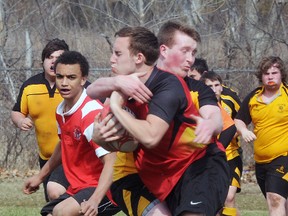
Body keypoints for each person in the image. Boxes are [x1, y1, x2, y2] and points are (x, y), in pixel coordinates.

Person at [88, 22, 230, 216]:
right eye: (185, 51)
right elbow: (90, 90)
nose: (191, 59)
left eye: (193, 53)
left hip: (196, 164)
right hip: (146, 173)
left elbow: (215, 118)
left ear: (139, 58)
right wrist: (100, 136)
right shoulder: (124, 84)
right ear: (163, 50)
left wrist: (210, 124)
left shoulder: (183, 87)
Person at [22, 51, 120, 216]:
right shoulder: (61, 110)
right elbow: (63, 145)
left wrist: (95, 201)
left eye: (71, 77)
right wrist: (39, 177)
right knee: (49, 212)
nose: (64, 83)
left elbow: (112, 162)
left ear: (83, 79)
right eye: (60, 77)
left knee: (62, 212)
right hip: (80, 186)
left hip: (107, 190)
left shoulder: (90, 115)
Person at [11, 38, 69, 201]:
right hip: (46, 158)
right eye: (50, 57)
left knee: (57, 196)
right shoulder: (30, 86)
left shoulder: (74, 86)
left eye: (59, 58)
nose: (53, 62)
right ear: (43, 61)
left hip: (71, 156)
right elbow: (16, 112)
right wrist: (21, 121)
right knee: (53, 203)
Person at [235, 56, 288, 216]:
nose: (270, 76)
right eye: (266, 73)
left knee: (275, 199)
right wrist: (244, 131)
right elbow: (238, 120)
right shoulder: (253, 97)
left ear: (281, 74)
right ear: (261, 76)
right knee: (280, 204)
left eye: (274, 72)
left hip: (283, 157)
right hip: (261, 162)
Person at [201, 71, 242, 216]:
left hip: (231, 156)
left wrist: (239, 131)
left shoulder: (231, 98)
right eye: (210, 86)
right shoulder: (201, 103)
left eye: (216, 85)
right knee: (215, 202)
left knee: (229, 198)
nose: (214, 89)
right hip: (209, 158)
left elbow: (240, 121)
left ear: (221, 86)